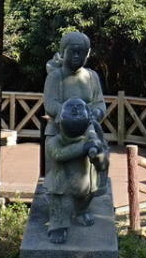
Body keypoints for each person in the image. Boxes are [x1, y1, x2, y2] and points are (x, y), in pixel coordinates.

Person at [43, 31, 108, 194]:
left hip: (88, 130)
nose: (77, 56)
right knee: (60, 179)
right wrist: (71, 115)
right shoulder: (56, 76)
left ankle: (85, 204)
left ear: (87, 54)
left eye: (81, 52)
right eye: (73, 51)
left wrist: (96, 113)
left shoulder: (91, 76)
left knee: (91, 174)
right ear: (63, 51)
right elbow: (50, 103)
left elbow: (99, 103)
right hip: (60, 131)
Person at [44, 97, 108, 244]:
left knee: (85, 197)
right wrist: (83, 148)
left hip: (85, 182)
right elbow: (58, 154)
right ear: (61, 120)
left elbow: (103, 162)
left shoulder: (90, 137)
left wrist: (98, 153)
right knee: (58, 201)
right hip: (62, 182)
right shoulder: (55, 141)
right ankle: (58, 225)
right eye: (71, 108)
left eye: (79, 107)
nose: (74, 110)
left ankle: (81, 212)